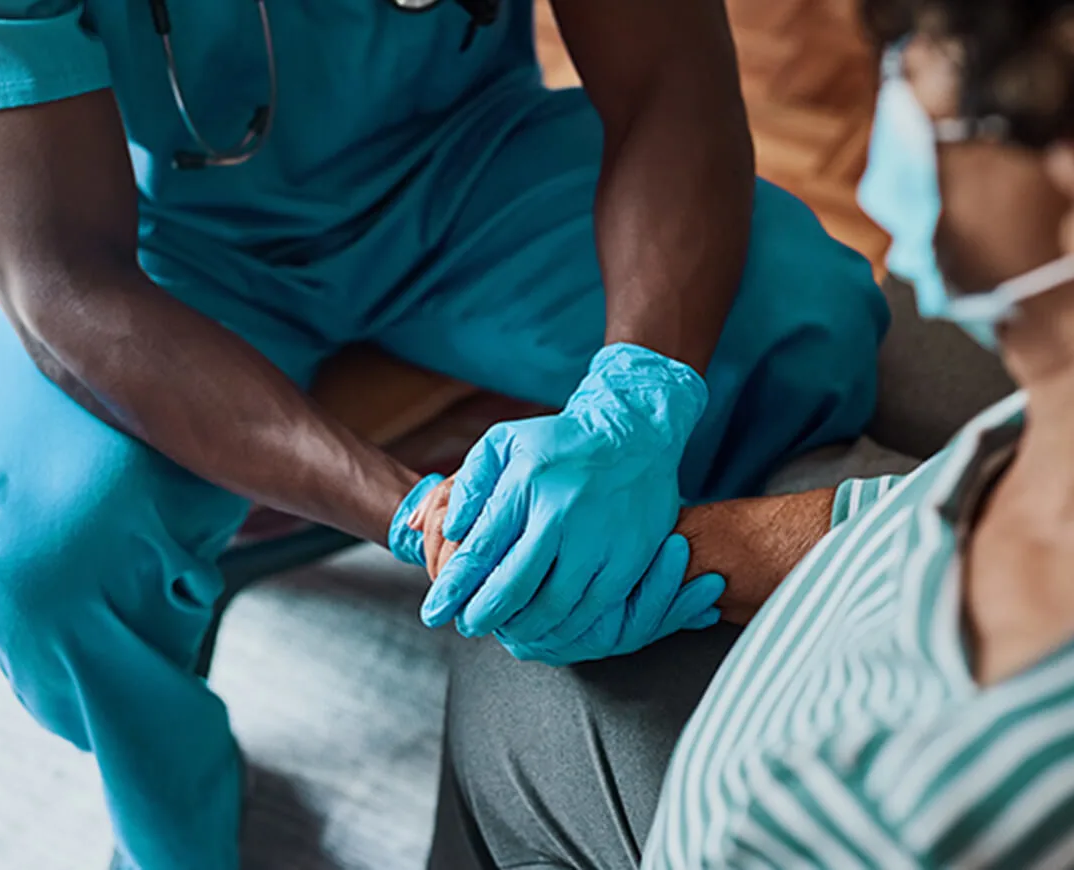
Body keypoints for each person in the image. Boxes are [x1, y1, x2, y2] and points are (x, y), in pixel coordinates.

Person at [0, 0, 886, 867]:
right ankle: (177, 808)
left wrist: (634, 399)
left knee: (803, 317)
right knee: (44, 552)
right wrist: (410, 512)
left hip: (467, 159)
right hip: (165, 239)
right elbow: (64, 285)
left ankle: (311, 517)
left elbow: (671, 81)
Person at [425, 1, 1074, 867]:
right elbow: (942, 502)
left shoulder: (886, 815)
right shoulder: (1042, 414)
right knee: (826, 421)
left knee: (511, 679)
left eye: (919, 77)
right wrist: (698, 548)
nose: (898, 116)